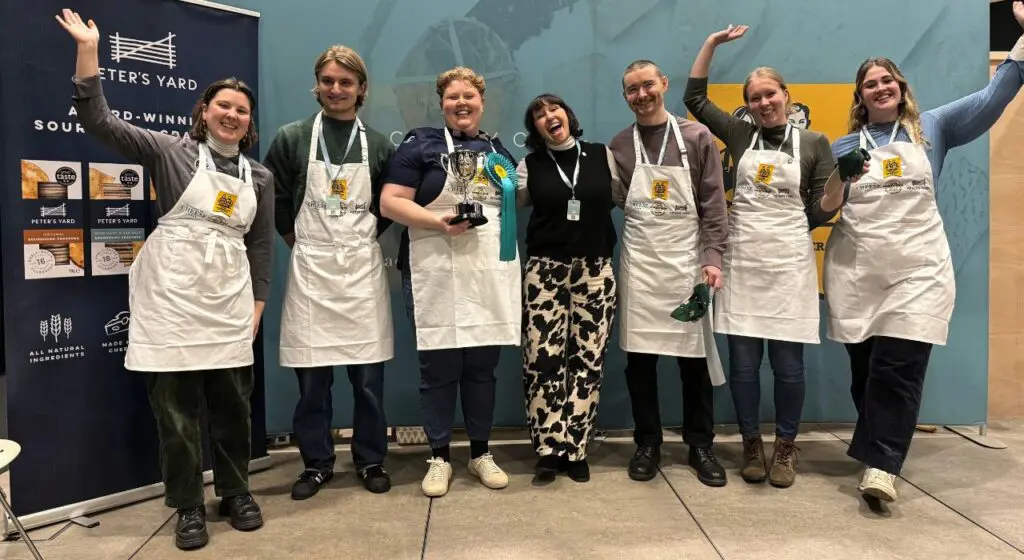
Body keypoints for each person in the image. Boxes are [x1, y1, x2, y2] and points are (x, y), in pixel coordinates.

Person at [57, 9, 273, 551]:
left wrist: (258, 305)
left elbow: (261, 246)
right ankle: (188, 505)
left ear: (250, 122)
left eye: (241, 110)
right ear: (204, 111)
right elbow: (99, 122)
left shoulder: (260, 177)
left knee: (232, 407)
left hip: (229, 299)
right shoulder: (168, 151)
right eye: (223, 106)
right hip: (171, 297)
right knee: (176, 413)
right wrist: (88, 50)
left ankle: (236, 491)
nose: (231, 115)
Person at [825, 0, 1024, 503]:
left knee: (898, 367)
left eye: (887, 79)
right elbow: (824, 207)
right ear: (860, 96)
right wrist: (837, 178)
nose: (881, 87)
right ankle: (878, 449)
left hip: (918, 271)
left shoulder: (932, 127)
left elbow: (994, 95)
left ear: (901, 86)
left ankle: (881, 466)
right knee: (867, 372)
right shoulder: (844, 146)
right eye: (870, 83)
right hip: (859, 273)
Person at [684, 25, 841, 488]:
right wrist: (711, 44)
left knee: (790, 368)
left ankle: (786, 447)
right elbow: (695, 99)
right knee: (744, 367)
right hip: (743, 262)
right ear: (748, 105)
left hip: (789, 264)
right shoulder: (739, 133)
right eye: (754, 98)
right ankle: (752, 443)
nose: (764, 103)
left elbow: (819, 210)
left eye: (770, 94)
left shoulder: (815, 143)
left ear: (786, 96)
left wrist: (840, 187)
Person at [262, 45, 396, 501]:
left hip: (360, 270)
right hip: (312, 269)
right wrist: (296, 238)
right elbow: (275, 196)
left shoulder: (380, 145)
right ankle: (316, 464)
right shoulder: (292, 137)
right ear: (316, 85)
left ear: (361, 88)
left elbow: (388, 205)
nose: (336, 89)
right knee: (312, 385)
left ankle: (370, 458)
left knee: (369, 384)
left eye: (345, 82)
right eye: (328, 81)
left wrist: (358, 239)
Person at [379, 66, 520, 497]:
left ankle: (480, 453)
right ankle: (439, 456)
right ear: (441, 103)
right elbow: (390, 202)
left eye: (469, 96)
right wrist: (438, 222)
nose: (462, 103)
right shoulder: (420, 143)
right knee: (437, 370)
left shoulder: (496, 150)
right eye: (453, 97)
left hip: (486, 274)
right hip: (434, 271)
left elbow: (508, 207)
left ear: (482, 102)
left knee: (481, 370)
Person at [607, 60, 729, 487]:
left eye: (647, 85)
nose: (641, 95)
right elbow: (619, 198)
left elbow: (714, 203)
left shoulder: (697, 137)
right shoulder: (619, 145)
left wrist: (713, 257)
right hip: (641, 266)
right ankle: (647, 443)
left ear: (663, 84)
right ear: (625, 96)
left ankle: (700, 445)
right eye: (632, 89)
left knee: (693, 361)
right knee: (639, 363)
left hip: (686, 264)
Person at [515, 93, 619, 485]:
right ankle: (548, 449)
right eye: (539, 114)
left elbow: (621, 196)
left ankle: (576, 448)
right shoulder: (528, 165)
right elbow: (509, 205)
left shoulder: (602, 155)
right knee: (542, 359)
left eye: (553, 109)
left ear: (567, 115)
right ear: (535, 128)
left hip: (595, 271)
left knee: (588, 360)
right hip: (545, 272)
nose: (548, 116)